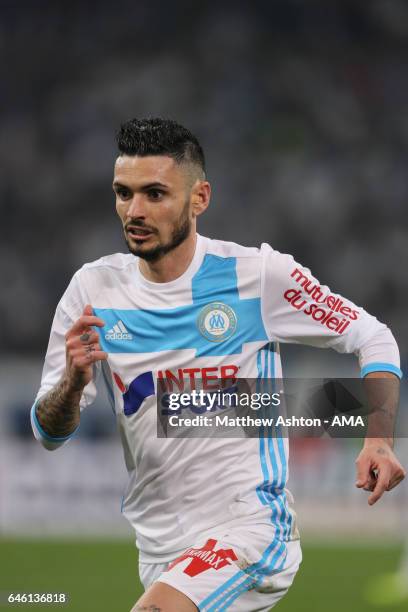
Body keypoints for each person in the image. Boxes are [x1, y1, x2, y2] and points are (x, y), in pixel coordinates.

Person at [31, 118, 405, 612]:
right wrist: (74, 385)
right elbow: (49, 432)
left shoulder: (256, 275)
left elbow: (371, 335)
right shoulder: (92, 291)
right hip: (159, 546)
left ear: (200, 198)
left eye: (155, 194)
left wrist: (377, 438)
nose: (135, 211)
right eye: (124, 193)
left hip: (249, 529)